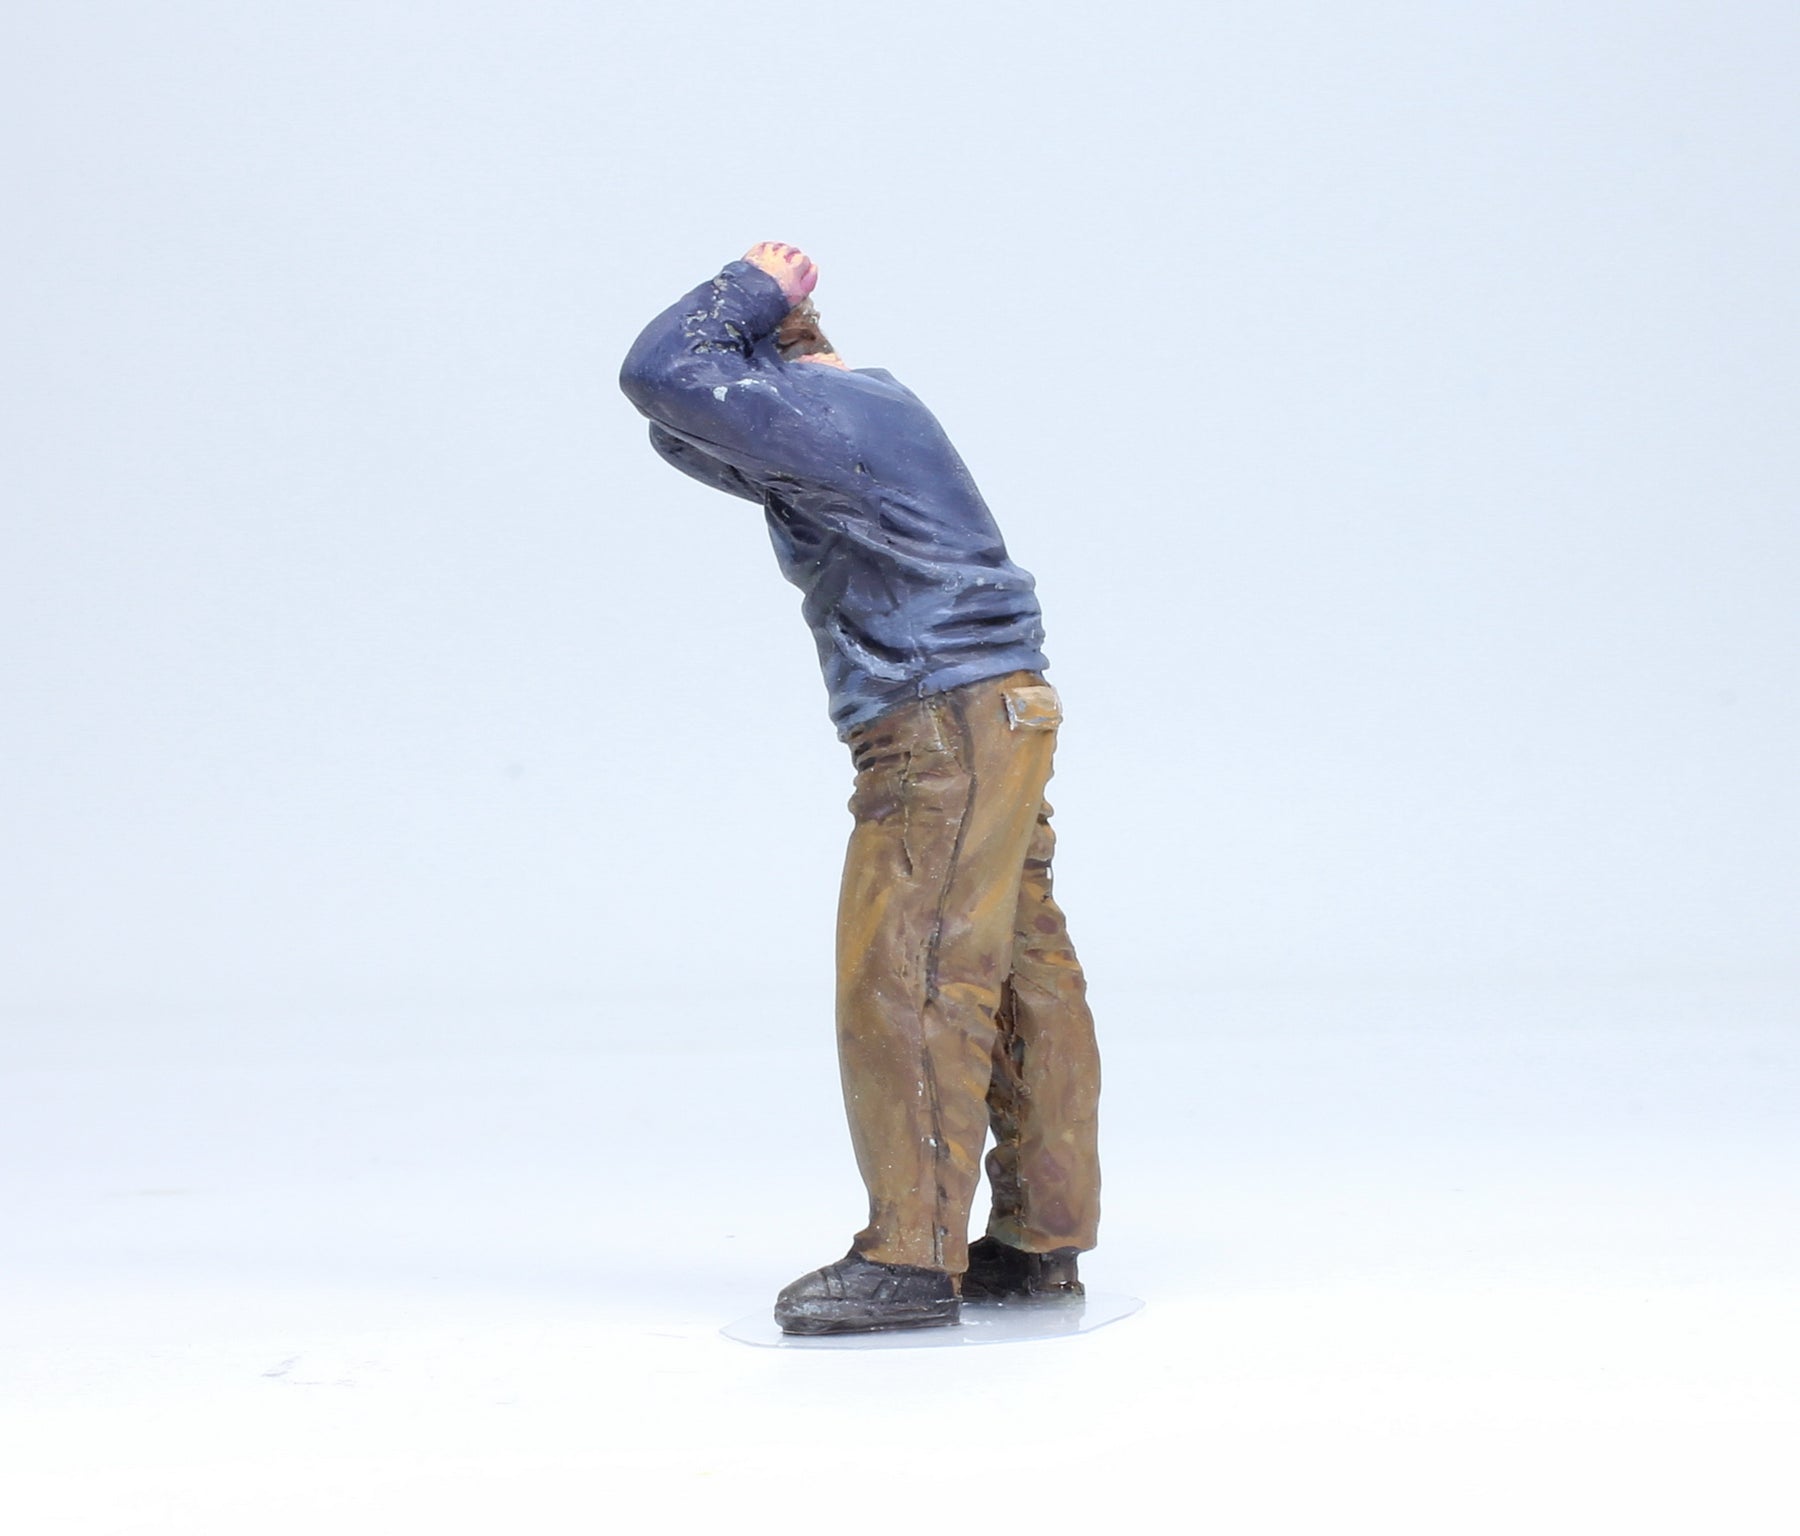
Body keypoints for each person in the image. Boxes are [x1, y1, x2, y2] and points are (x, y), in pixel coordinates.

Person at [620, 243, 1101, 1334]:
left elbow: (662, 376)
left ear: (768, 366)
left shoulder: (833, 413)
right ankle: (1042, 1237)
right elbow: (682, 435)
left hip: (940, 725)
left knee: (909, 966)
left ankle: (910, 1257)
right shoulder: (863, 417)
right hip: (997, 709)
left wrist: (753, 282)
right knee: (1017, 972)